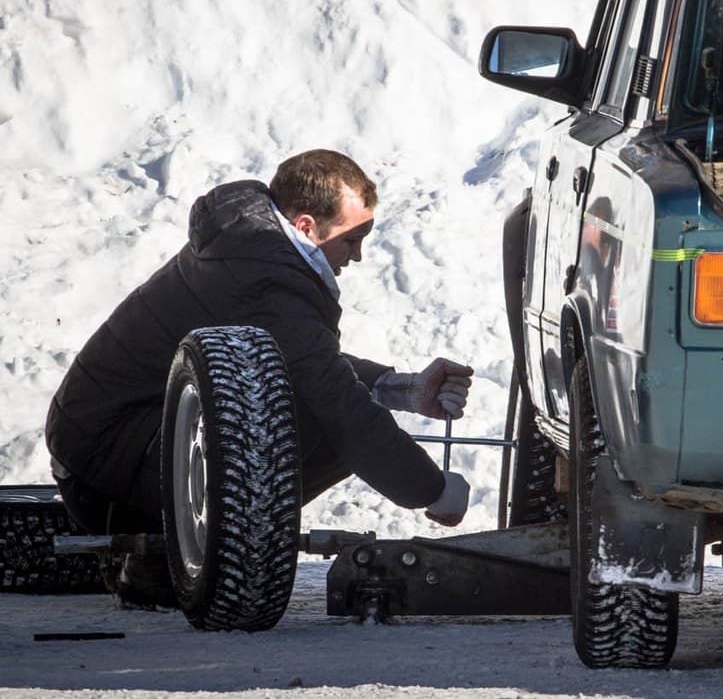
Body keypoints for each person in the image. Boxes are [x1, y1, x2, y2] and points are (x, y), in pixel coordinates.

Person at [45, 149, 473, 605]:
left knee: (310, 402)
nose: (359, 255)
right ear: (307, 227)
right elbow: (333, 398)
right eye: (352, 239)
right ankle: (171, 558)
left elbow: (303, 356)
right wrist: (433, 490)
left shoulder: (251, 247)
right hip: (108, 477)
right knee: (326, 422)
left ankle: (173, 548)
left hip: (105, 453)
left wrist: (400, 389)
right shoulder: (267, 276)